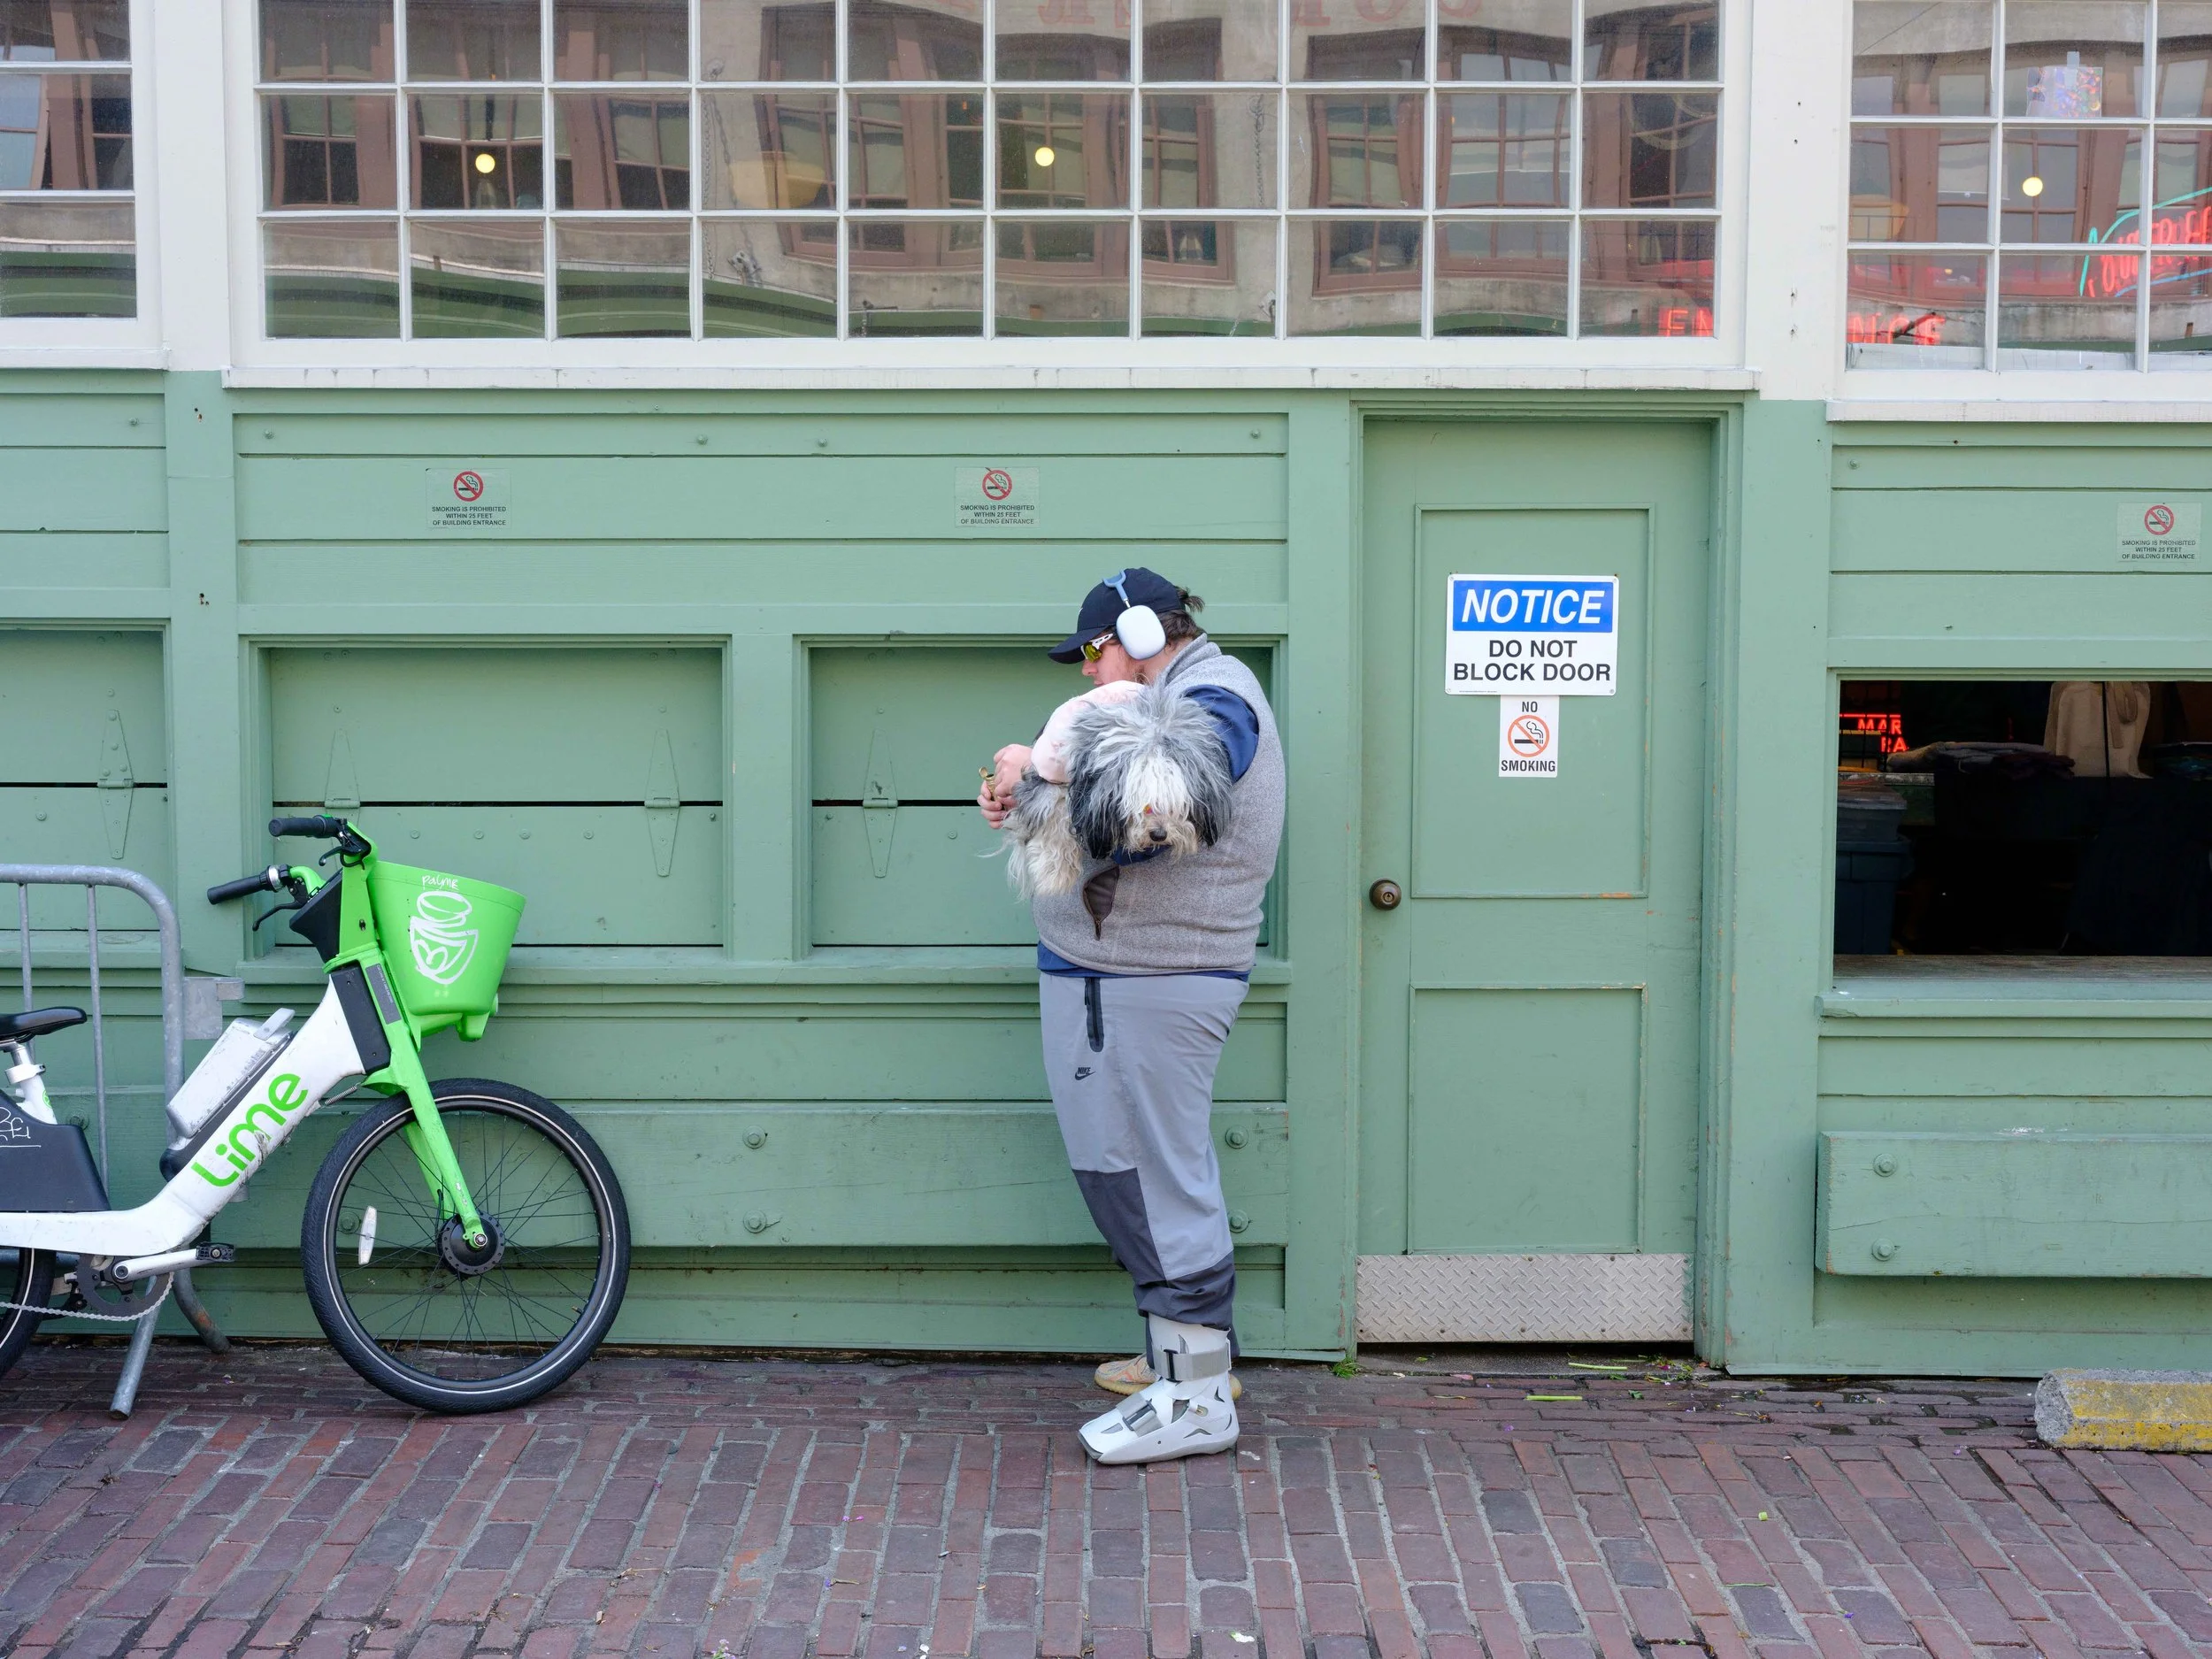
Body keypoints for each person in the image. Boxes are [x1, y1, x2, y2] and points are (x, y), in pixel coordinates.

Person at [977, 568, 1285, 1464]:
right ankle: (1181, 1364)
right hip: (1116, 976)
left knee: (1148, 1180)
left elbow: (1156, 809)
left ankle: (1195, 1400)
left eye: (1090, 651)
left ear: (1143, 632)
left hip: (1149, 980)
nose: (1084, 671)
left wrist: (1032, 772)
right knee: (1134, 1176)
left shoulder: (1214, 697)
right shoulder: (1180, 696)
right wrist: (1019, 779)